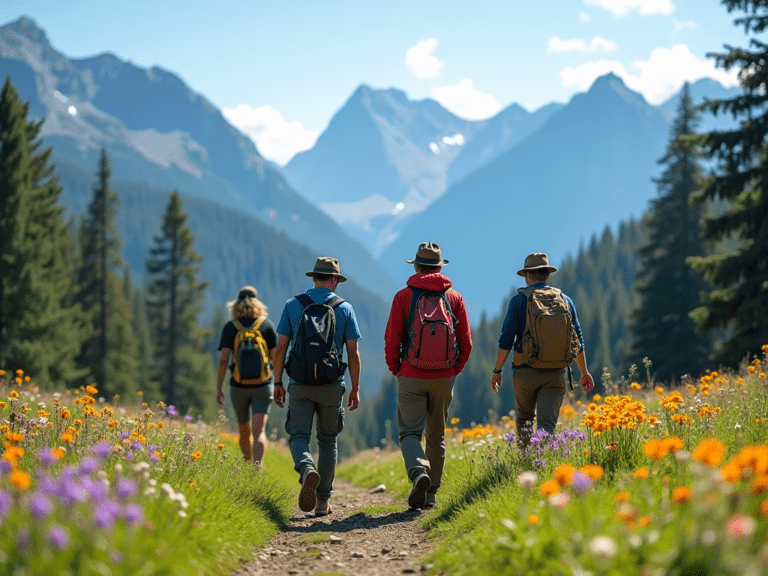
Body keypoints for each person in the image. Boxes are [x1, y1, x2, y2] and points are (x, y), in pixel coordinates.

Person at [384, 242, 472, 510]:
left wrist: (397, 369)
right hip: (444, 376)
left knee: (410, 433)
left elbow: (392, 340)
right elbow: (466, 342)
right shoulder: (454, 298)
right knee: (437, 436)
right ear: (439, 267)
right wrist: (453, 369)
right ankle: (431, 494)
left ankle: (418, 471)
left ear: (418, 267)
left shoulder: (403, 297)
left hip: (411, 373)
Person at [272, 257, 361, 517]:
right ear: (334, 279)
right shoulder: (345, 309)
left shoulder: (293, 305)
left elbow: (280, 348)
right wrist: (355, 388)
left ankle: (306, 467)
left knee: (299, 437)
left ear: (314, 277)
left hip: (299, 383)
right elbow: (353, 352)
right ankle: (322, 502)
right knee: (328, 441)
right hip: (332, 384)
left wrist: (278, 382)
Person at [490, 253, 594, 449]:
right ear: (547, 275)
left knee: (524, 421)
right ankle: (544, 463)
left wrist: (497, 370)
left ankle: (527, 464)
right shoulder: (565, 300)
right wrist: (584, 372)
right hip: (556, 373)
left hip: (525, 371)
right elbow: (577, 338)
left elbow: (506, 339)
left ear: (527, 276)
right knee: (547, 426)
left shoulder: (518, 301)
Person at [216, 286, 278, 466]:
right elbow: (275, 358)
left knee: (244, 430)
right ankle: (256, 468)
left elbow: (223, 360)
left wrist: (219, 387)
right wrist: (278, 383)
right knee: (259, 432)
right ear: (257, 302)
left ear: (236, 304)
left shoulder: (230, 327)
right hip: (262, 385)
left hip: (238, 386)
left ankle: (247, 467)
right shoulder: (266, 326)